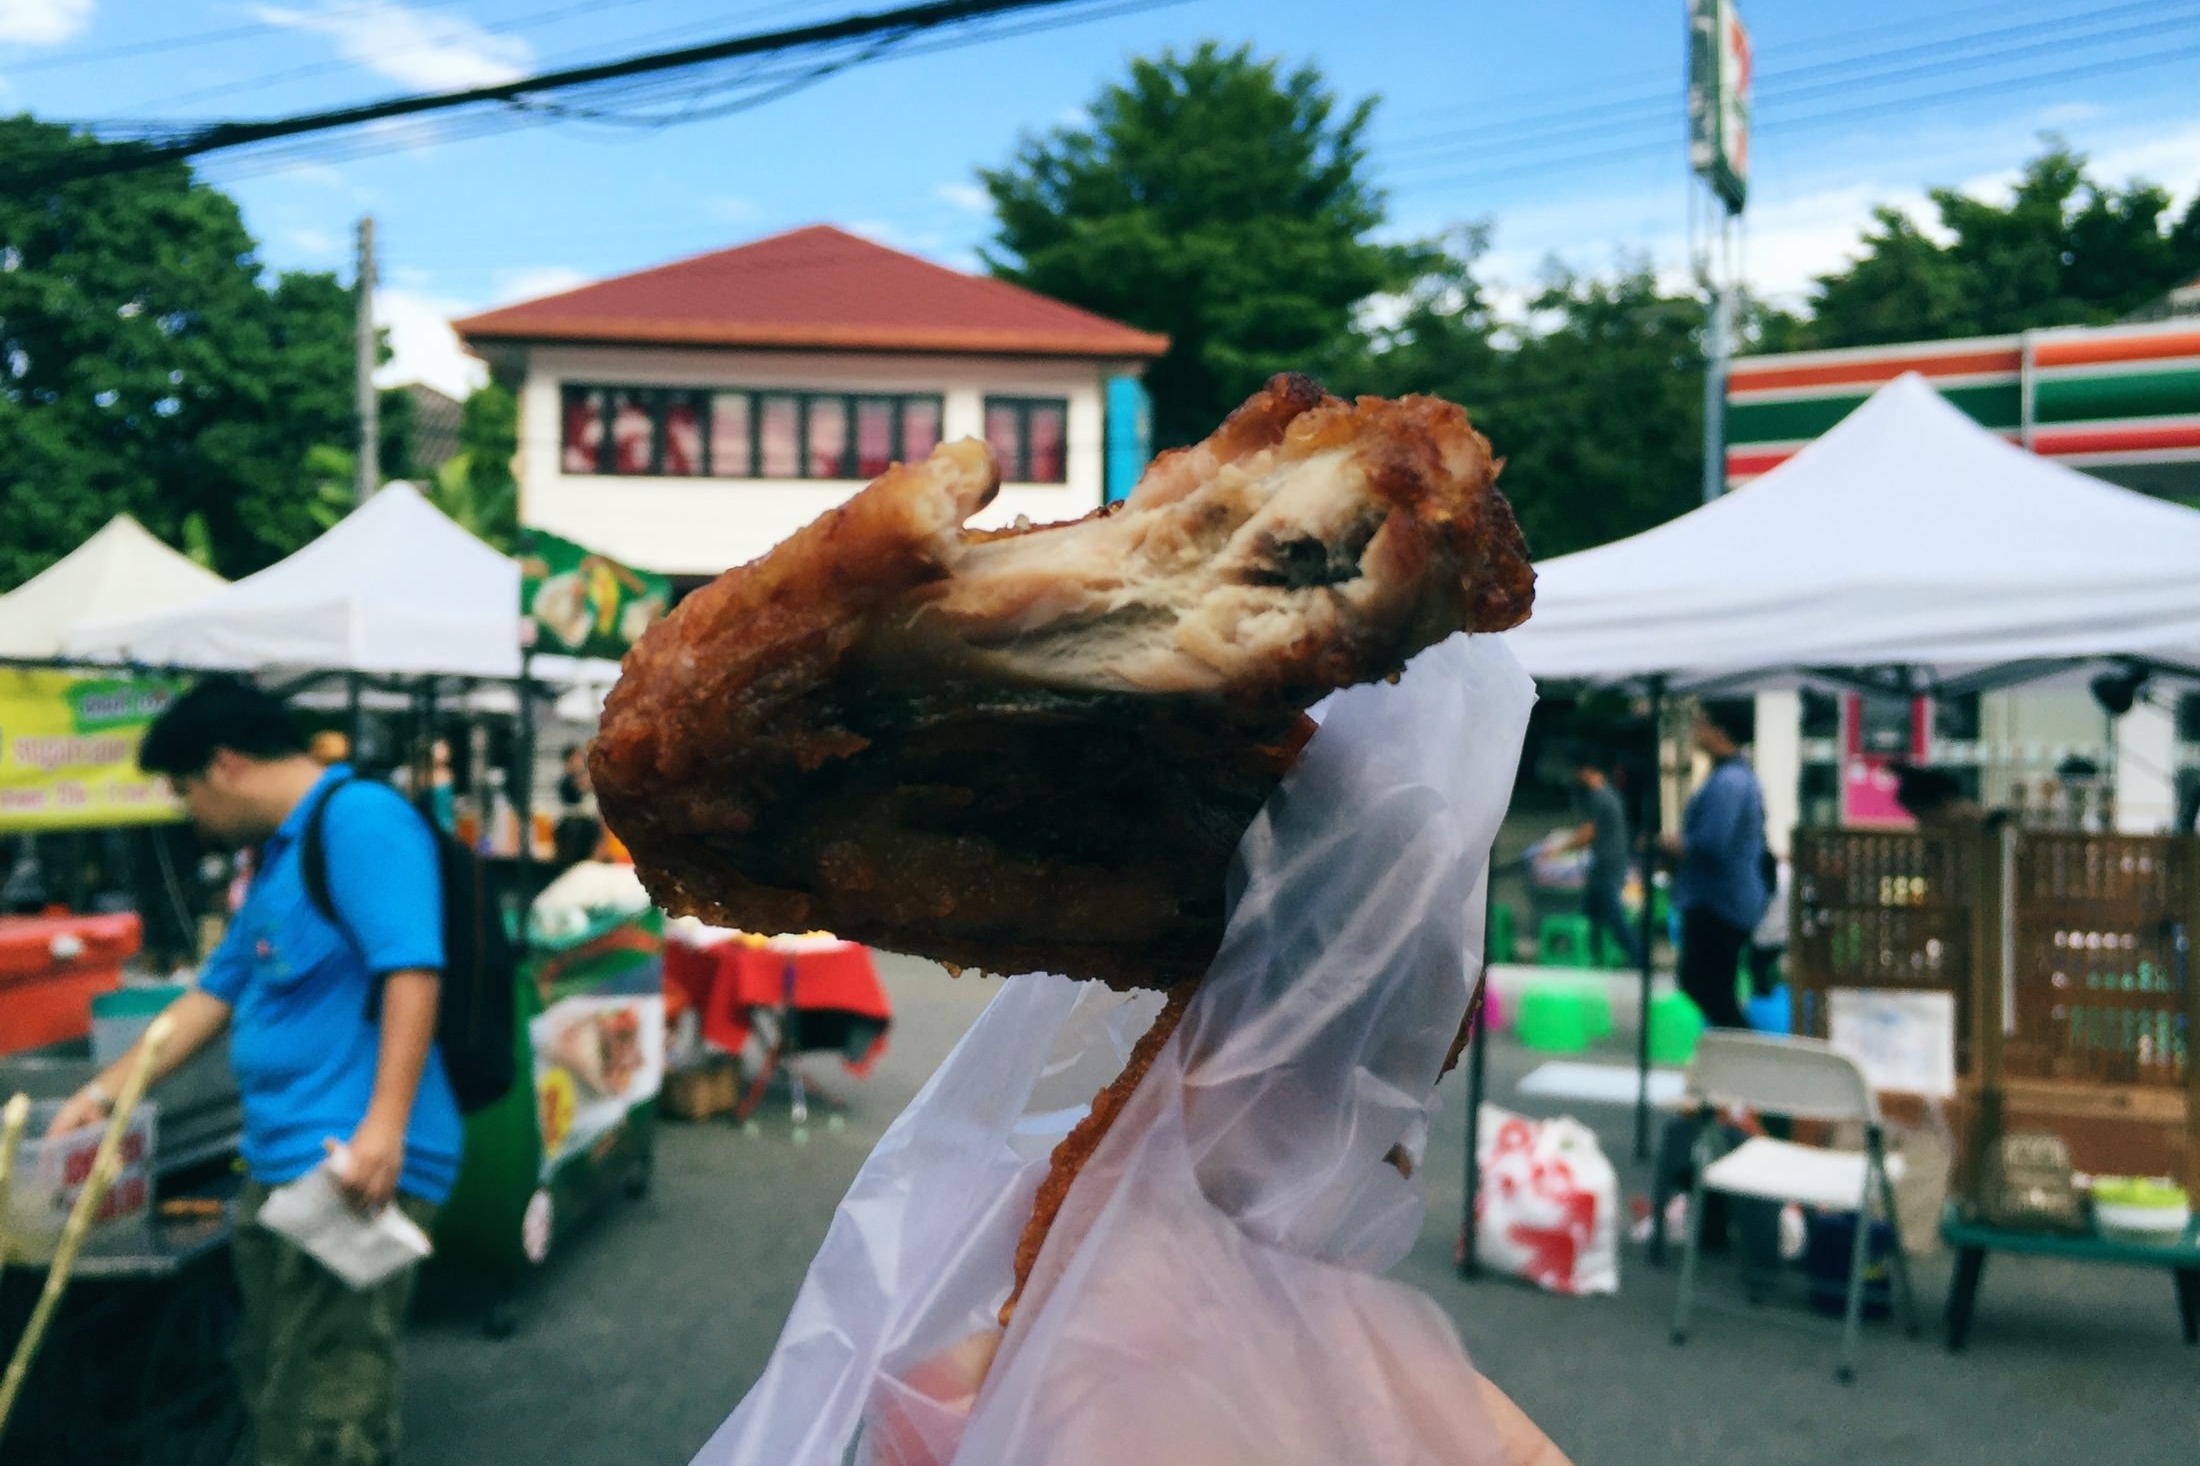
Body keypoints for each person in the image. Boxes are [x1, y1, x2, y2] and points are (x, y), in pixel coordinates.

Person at [48, 678, 459, 1466]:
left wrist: (383, 1127)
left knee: (327, 1406)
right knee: (271, 1376)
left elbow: (413, 969)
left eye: (185, 789)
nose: (188, 812)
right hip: (282, 1163)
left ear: (227, 764)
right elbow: (212, 995)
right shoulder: (281, 858)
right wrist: (102, 1095)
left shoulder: (362, 821)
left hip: (350, 1164)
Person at [1661, 702, 1769, 1029]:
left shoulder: (1729, 782)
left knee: (1705, 986)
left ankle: (1744, 1053)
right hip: (1724, 899)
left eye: (1702, 722)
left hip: (1719, 901)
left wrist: (1668, 844)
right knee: (1708, 986)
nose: (1696, 730)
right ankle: (1736, 1053)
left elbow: (1710, 843)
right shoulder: (1732, 775)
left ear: (1720, 731)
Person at [1551, 753, 1643, 971]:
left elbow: (1586, 835)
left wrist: (1556, 849)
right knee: (1590, 913)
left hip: (1606, 864)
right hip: (1612, 861)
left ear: (1587, 770)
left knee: (1613, 916)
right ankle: (1587, 956)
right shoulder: (1612, 795)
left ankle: (1640, 957)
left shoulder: (1598, 797)